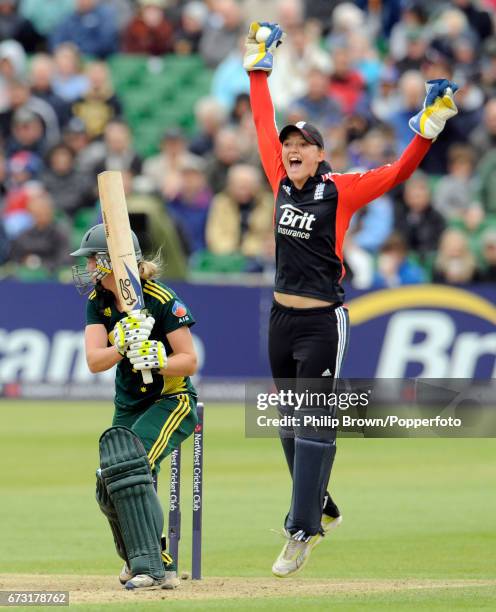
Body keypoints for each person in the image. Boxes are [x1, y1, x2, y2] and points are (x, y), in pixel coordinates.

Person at [244, 21, 459, 578]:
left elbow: (398, 173)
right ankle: (321, 504)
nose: (290, 150)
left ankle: (302, 529)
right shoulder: (277, 176)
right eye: (289, 145)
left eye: (302, 146)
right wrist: (258, 69)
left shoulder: (341, 189)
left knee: (313, 418)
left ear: (320, 155)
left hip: (321, 323)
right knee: (287, 423)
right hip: (279, 319)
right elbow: (262, 123)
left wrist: (427, 132)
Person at [70, 223, 198, 590]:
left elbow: (189, 361)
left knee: (132, 464)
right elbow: (95, 361)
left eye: (93, 260)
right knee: (108, 481)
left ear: (113, 260)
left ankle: (155, 567)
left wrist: (156, 358)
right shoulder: (98, 301)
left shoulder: (159, 298)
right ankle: (142, 558)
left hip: (170, 401)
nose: (88, 268)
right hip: (128, 405)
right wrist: (122, 346)